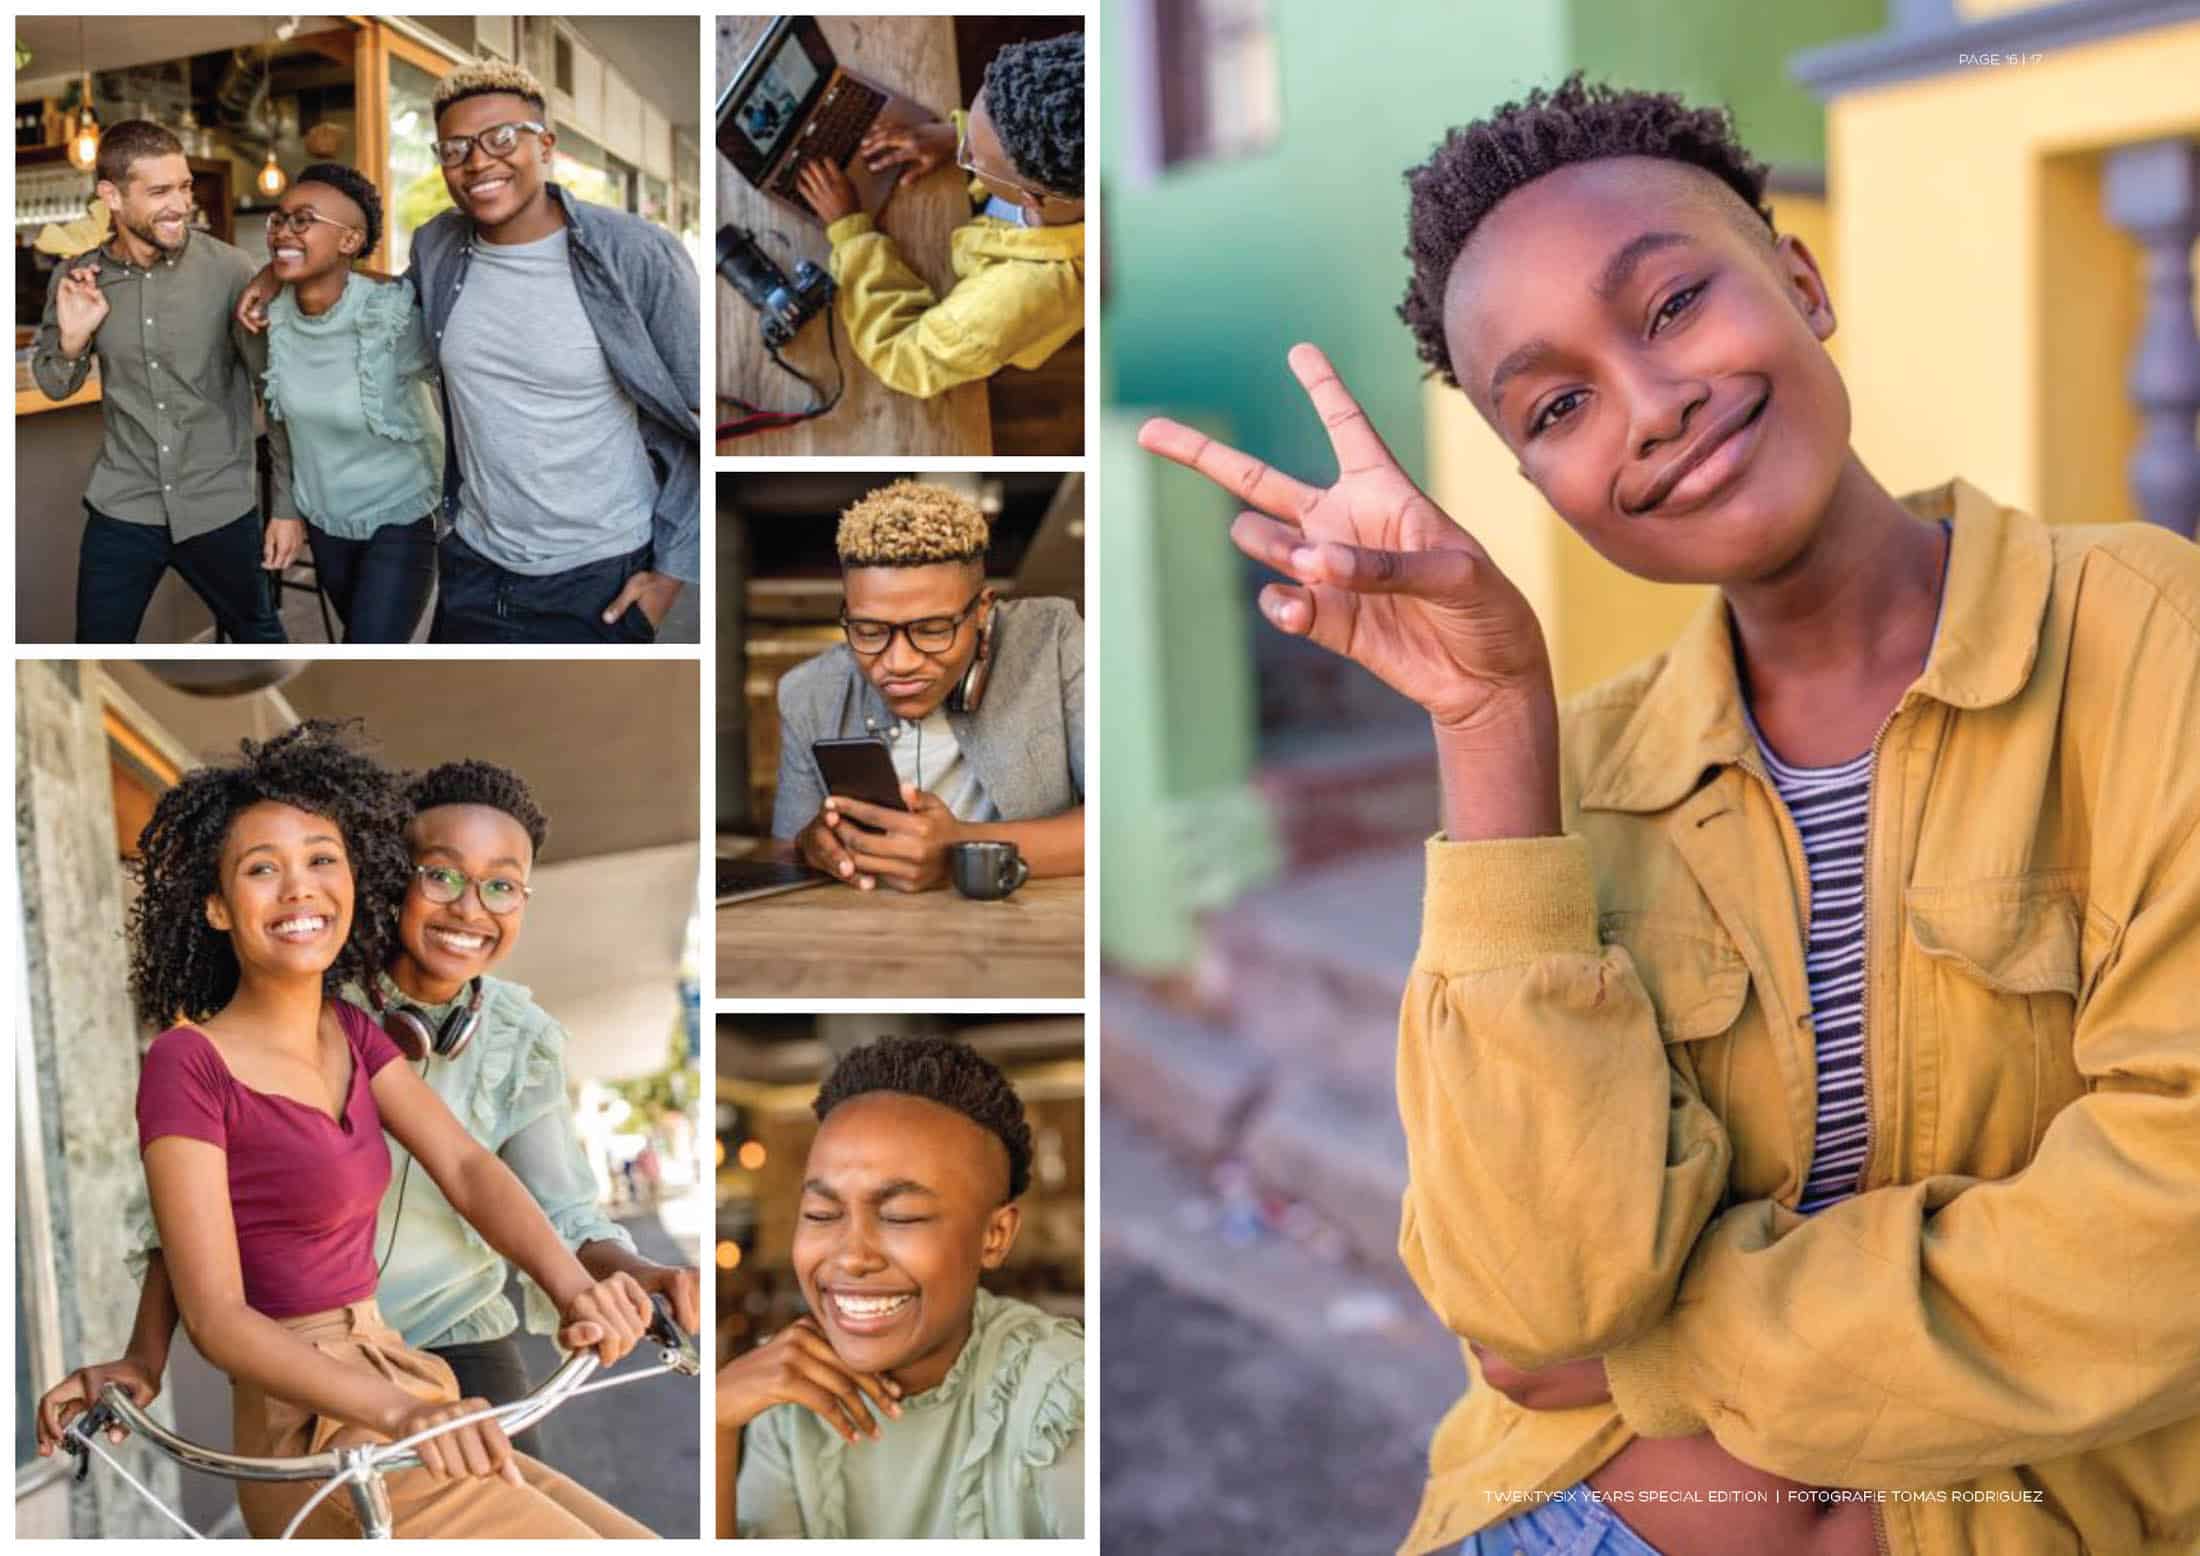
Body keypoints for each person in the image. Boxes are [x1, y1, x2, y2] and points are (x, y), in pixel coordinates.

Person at [1141, 72, 2200, 1556]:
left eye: (1673, 307)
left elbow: (2171, 1228)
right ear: (1539, 482)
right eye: (1559, 405)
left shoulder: (2151, 639)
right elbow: (1527, 1313)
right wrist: (1493, 726)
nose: (1653, 407)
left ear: (1802, 282)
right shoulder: (1591, 776)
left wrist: (1675, 1351)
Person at [38, 756, 701, 1471]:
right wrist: (145, 1355)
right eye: (441, 875)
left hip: (451, 1338)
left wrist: (606, 1281)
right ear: (391, 877)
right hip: (305, 1359)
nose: (469, 908)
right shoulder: (299, 1000)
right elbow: (194, 1224)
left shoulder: (502, 1037)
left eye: (501, 886)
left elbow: (511, 1188)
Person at [239, 61, 701, 644]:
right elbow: (371, 296)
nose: (479, 161)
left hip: (599, 574)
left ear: (547, 146)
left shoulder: (637, 254)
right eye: (456, 148)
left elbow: (701, 420)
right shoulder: (440, 246)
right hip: (474, 561)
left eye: (502, 139)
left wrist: (672, 576)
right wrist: (275, 272)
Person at [719, 1036, 1082, 1538]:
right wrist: (719, 1424)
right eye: (821, 1214)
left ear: (994, 1236)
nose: (851, 1255)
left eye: (901, 1216)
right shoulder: (786, 1401)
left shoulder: (1061, 1394)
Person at [31, 120, 297, 644]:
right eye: (159, 192)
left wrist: (287, 508)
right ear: (111, 195)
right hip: (123, 506)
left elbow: (276, 390)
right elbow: (55, 384)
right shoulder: (79, 279)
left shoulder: (230, 270)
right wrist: (72, 341)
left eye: (184, 187)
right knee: (95, 654)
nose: (180, 204)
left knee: (260, 640)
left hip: (218, 504)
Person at [772, 480, 1083, 892]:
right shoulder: (806, 691)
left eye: (934, 630)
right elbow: (783, 850)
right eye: (868, 631)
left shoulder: (1054, 639)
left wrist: (960, 850)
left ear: (982, 611)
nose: (899, 664)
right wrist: (811, 844)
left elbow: (1120, 819)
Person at [794, 33, 1084, 401]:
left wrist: (851, 234)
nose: (963, 146)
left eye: (973, 156)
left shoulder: (1020, 299)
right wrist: (952, 136)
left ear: (1029, 196)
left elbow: (905, 358)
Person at [260, 164, 442, 642]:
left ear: (349, 241)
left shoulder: (391, 313)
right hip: (325, 518)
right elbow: (279, 424)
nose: (284, 230)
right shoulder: (267, 320)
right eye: (279, 219)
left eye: (303, 220)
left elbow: (470, 384)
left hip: (401, 514)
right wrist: (286, 510)